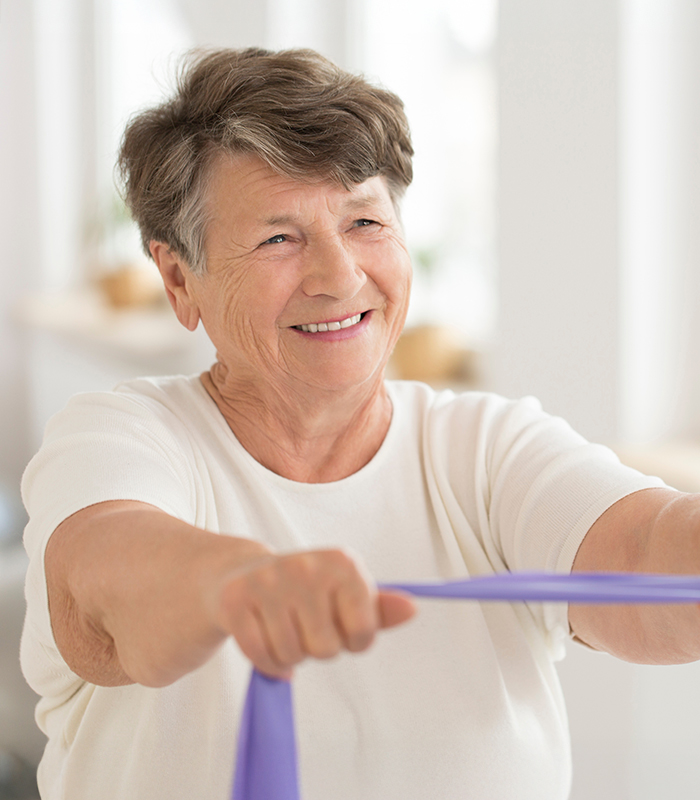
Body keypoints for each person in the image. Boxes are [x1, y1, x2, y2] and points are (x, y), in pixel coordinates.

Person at [19, 47, 700, 800]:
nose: (340, 277)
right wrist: (239, 587)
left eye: (365, 220)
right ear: (180, 279)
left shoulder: (486, 452)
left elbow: (648, 557)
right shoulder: (124, 437)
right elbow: (104, 585)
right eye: (279, 238)